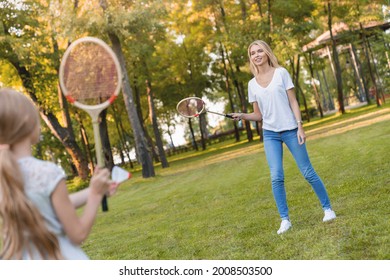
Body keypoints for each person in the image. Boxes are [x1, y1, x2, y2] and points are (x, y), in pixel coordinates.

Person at [231, 40, 336, 234]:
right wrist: (243, 115)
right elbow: (258, 115)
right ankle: (285, 220)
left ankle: (328, 209)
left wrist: (299, 127)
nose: (257, 55)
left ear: (267, 52)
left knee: (307, 172)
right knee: (276, 177)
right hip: (270, 133)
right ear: (251, 58)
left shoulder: (281, 73)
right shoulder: (252, 84)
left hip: (290, 129)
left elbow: (293, 101)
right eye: (253, 52)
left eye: (260, 50)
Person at [0, 88, 118, 259]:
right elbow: (77, 234)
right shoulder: (47, 172)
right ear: (27, 122)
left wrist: (96, 190)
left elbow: (48, 205)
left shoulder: (5, 174)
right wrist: (94, 195)